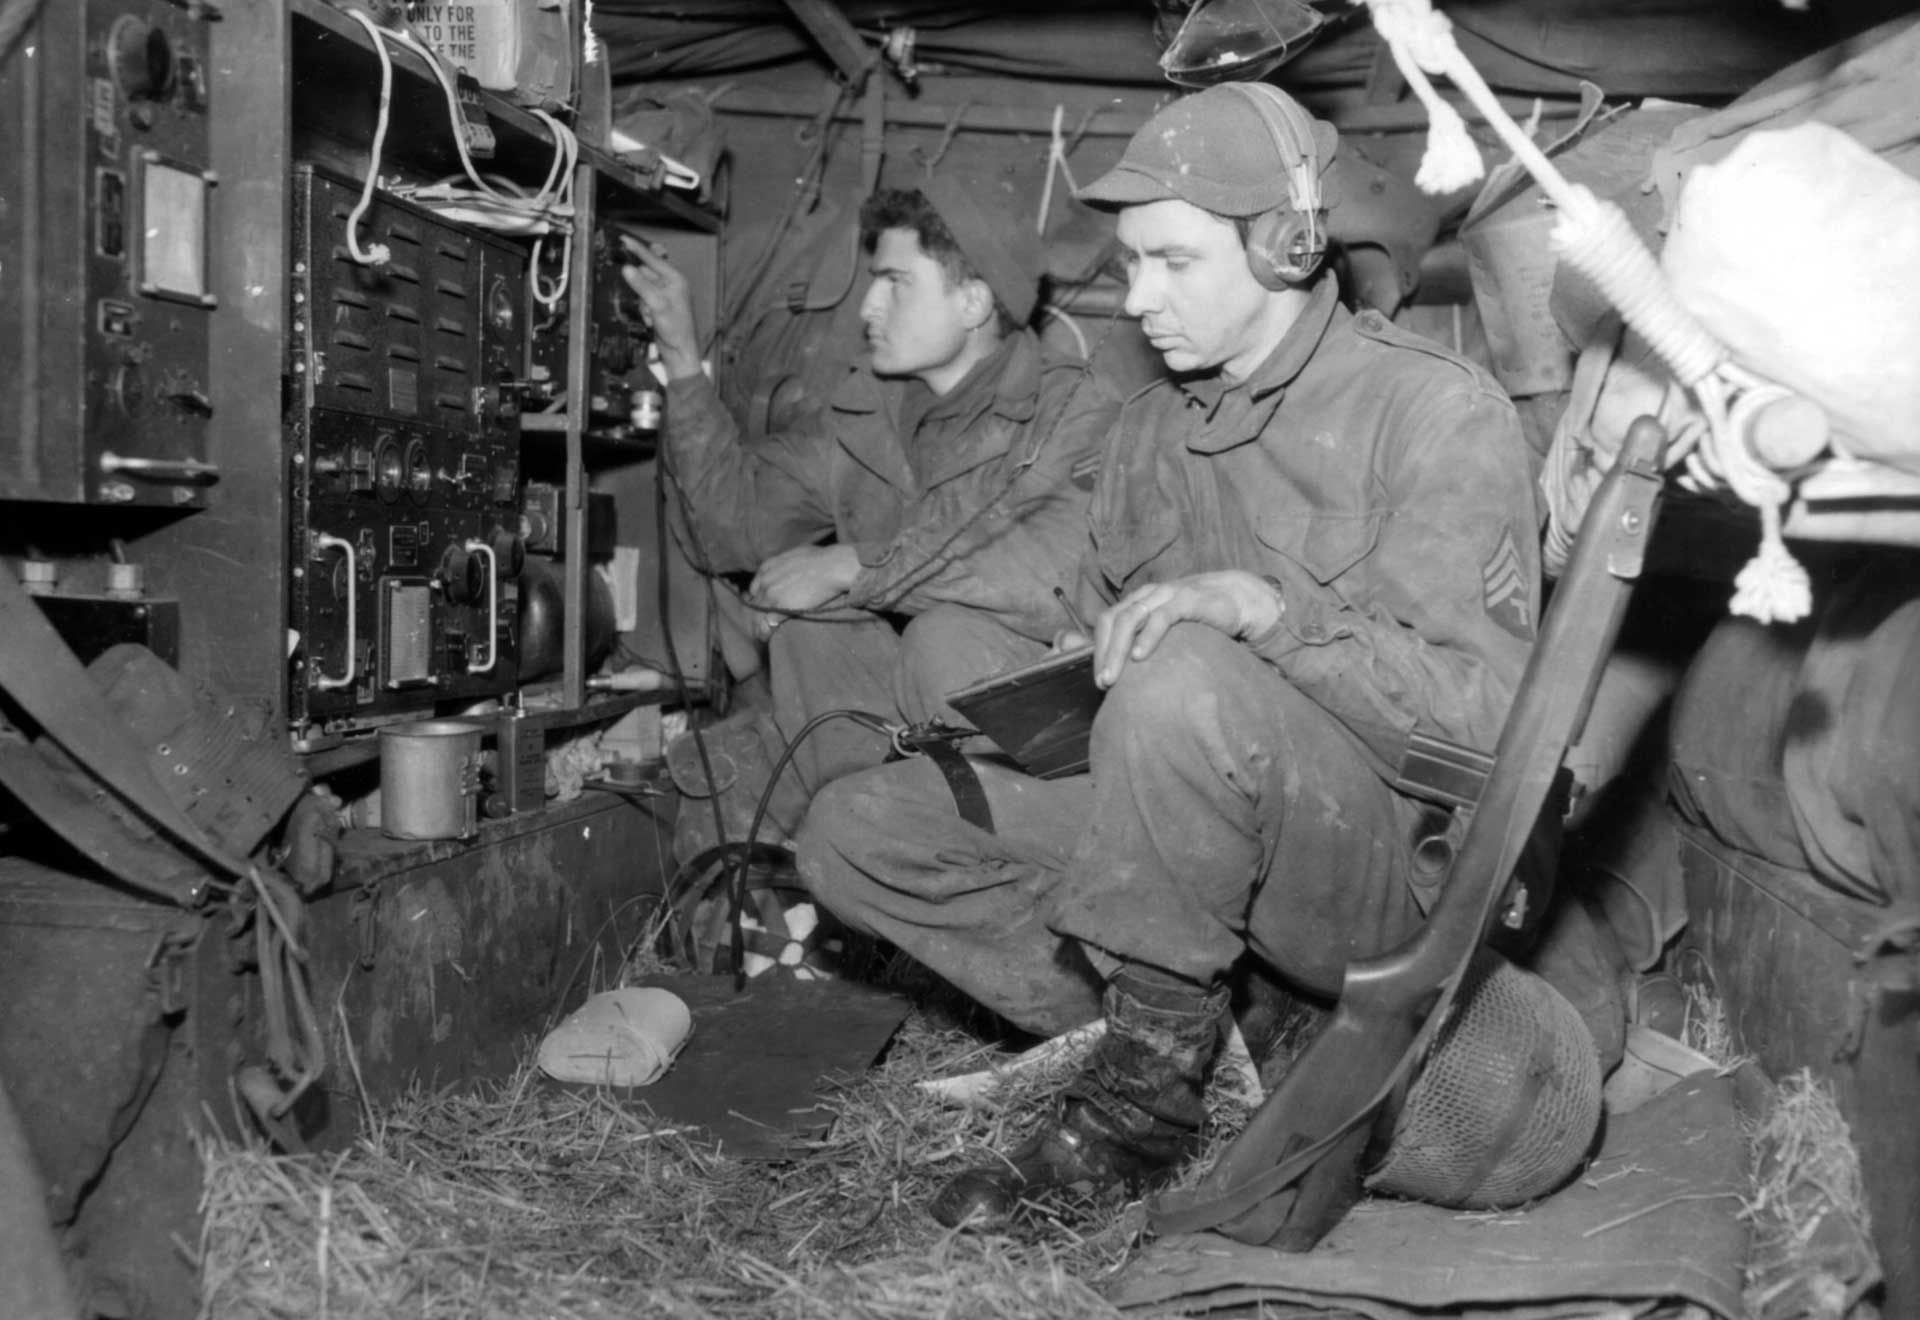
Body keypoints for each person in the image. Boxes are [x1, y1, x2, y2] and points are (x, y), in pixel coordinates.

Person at [795, 82, 1544, 1227]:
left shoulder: (1434, 415)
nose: (1136, 299)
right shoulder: (1151, 428)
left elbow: (1485, 728)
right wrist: (1064, 657)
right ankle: (1219, 1039)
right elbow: (1101, 626)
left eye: (1173, 262)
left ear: (1289, 247)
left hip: (1377, 866)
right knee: (857, 832)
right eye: (1131, 261)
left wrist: (1264, 614)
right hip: (1187, 823)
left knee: (1187, 668)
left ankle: (1136, 1111)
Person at [622, 177, 1120, 861]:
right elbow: (729, 527)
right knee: (809, 636)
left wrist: (853, 564)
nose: (868, 306)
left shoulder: (1070, 408)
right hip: (918, 726)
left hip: (1037, 723)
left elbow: (1045, 573)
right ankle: (867, 865)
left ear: (973, 301)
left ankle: (1001, 868)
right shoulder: (866, 417)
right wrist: (682, 364)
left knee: (940, 639)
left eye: (894, 282)